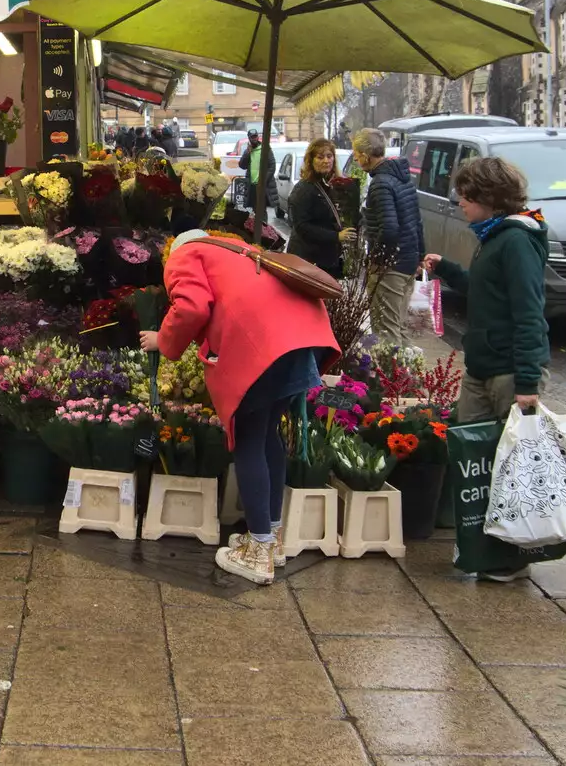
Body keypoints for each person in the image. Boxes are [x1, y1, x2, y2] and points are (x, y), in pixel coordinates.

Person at [140, 229, 338, 585]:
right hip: (299, 344)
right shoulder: (239, 249)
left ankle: (259, 552)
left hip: (262, 353)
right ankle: (271, 539)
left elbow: (191, 306)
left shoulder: (186, 254)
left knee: (247, 441)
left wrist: (163, 341)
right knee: (267, 438)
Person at [421, 155, 549, 582]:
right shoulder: (493, 237)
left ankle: (512, 556)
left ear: (489, 199)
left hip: (508, 372)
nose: (459, 202)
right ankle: (481, 543)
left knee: (507, 466)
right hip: (481, 366)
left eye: (466, 196)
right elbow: (485, 289)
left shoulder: (515, 241)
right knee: (474, 457)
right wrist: (450, 270)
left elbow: (530, 313)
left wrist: (527, 382)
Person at [353, 127, 424, 346]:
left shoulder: (381, 183)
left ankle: (391, 378)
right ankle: (407, 377)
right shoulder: (402, 177)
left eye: (356, 155)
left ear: (365, 155)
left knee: (386, 329)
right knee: (399, 326)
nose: (356, 160)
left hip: (391, 266)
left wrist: (377, 260)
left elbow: (390, 229)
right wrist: (419, 255)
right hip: (408, 260)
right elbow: (416, 220)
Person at [286, 139, 355, 278]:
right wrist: (336, 236)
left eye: (329, 156)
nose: (326, 161)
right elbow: (301, 226)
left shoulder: (335, 185)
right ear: (311, 161)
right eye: (320, 157)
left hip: (329, 259)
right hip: (308, 259)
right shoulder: (303, 189)